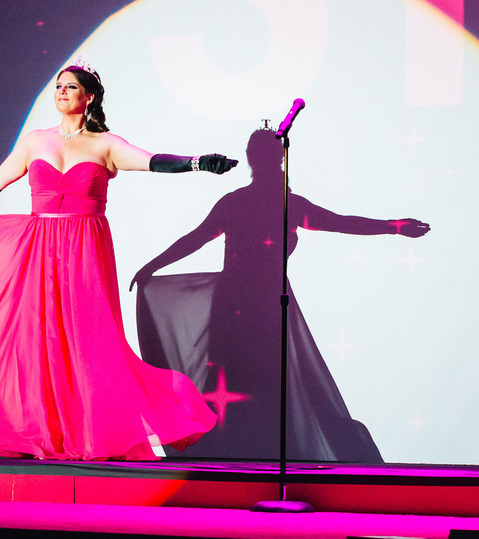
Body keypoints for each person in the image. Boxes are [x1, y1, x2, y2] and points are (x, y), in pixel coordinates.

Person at [0, 59, 236, 460]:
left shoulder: (105, 144)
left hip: (84, 250)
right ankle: (47, 432)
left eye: (70, 87)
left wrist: (197, 163)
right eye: (59, 86)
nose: (61, 92)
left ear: (88, 97)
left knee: (91, 343)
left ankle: (96, 433)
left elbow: (152, 161)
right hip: (39, 249)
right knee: (39, 342)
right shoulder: (35, 140)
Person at [130, 128, 429, 462]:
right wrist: (394, 226)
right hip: (253, 306)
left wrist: (395, 226)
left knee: (247, 381)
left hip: (248, 305)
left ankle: (248, 455)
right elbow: (196, 238)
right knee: (256, 382)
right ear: (278, 157)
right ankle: (246, 455)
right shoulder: (274, 204)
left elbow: (196, 238)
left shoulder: (254, 203)